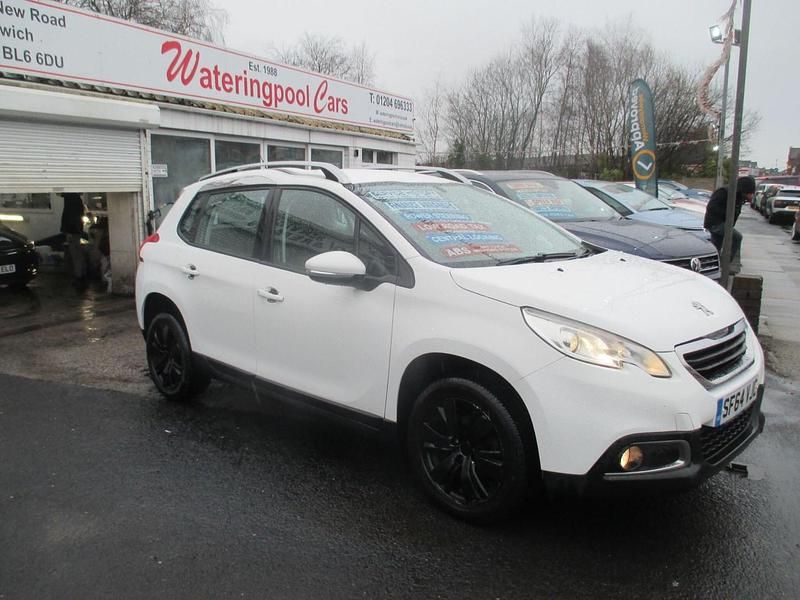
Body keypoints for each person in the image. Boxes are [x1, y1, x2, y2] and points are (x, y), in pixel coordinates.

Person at [703, 175, 756, 275]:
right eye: (749, 192)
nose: (750, 195)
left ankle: (712, 266)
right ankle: (726, 264)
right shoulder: (725, 192)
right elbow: (712, 207)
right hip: (715, 223)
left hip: (723, 223)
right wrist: (728, 215)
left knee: (716, 246)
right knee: (737, 237)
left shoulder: (739, 196)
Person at [60, 192, 87, 289]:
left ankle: (78, 276)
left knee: (75, 254)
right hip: (77, 230)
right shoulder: (77, 200)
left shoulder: (69, 200)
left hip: (73, 231)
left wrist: (68, 231)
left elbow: (69, 217)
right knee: (78, 253)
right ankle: (82, 274)